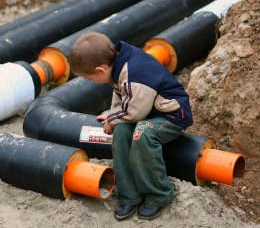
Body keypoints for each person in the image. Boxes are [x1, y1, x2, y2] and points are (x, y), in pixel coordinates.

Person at [69, 32, 193, 221]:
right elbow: (121, 95)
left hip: (170, 114)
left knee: (143, 134)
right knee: (121, 132)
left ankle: (158, 195)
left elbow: (135, 112)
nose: (91, 82)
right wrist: (112, 116)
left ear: (101, 70)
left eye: (90, 78)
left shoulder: (135, 73)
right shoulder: (116, 64)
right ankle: (130, 195)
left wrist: (111, 119)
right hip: (147, 111)